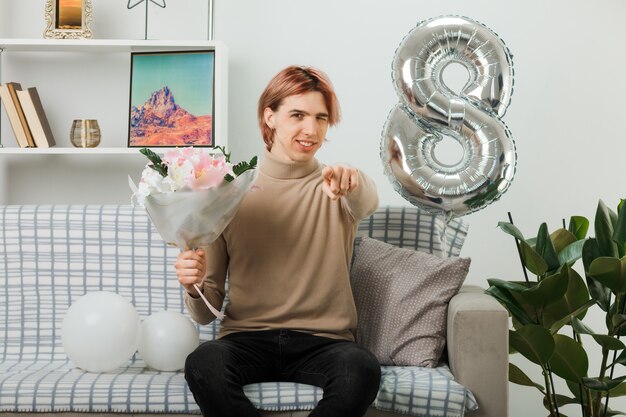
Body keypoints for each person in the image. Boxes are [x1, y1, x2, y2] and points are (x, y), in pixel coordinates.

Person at [175, 65, 381, 417]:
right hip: (246, 340)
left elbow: (366, 200)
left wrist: (353, 178)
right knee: (202, 363)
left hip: (326, 344)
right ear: (270, 117)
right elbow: (205, 312)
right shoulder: (227, 193)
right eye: (298, 115)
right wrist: (192, 287)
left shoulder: (338, 185)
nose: (311, 130)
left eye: (321, 118)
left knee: (361, 368)